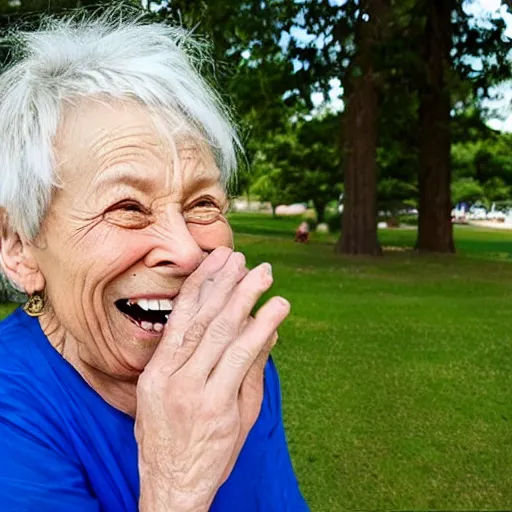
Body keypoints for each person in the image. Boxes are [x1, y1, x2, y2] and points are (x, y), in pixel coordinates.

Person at [0, 13, 309, 512]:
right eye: (127, 207)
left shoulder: (233, 362)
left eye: (202, 204)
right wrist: (177, 486)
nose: (188, 251)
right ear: (18, 246)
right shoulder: (12, 416)